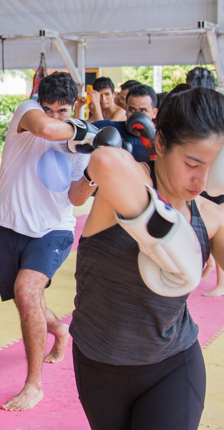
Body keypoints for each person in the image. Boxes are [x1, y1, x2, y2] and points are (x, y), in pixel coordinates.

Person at [72, 86, 224, 430]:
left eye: (213, 167)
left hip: (173, 364)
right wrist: (166, 235)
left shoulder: (211, 217)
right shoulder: (129, 183)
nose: (200, 180)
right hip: (98, 364)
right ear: (160, 143)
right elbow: (104, 160)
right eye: (191, 163)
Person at [0, 71, 97, 411]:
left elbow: (76, 199)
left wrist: (93, 171)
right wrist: (85, 130)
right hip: (8, 226)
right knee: (27, 303)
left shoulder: (82, 146)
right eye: (47, 107)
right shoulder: (27, 113)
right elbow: (45, 129)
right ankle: (60, 330)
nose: (54, 116)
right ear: (38, 101)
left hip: (54, 229)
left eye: (62, 111)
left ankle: (34, 385)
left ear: (75, 105)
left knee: (27, 291)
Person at [93, 83, 157, 163]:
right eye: (132, 110)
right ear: (125, 110)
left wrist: (152, 151)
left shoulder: (161, 139)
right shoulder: (110, 127)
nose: (137, 116)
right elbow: (80, 128)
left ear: (154, 113)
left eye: (143, 111)